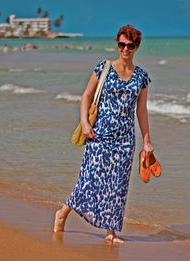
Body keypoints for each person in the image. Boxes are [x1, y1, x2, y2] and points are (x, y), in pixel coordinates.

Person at [53, 24, 154, 244]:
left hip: (126, 140)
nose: (125, 49)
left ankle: (111, 233)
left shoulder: (141, 77)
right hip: (99, 136)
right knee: (88, 180)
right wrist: (84, 122)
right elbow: (86, 96)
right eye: (122, 44)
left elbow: (141, 110)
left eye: (130, 45)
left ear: (137, 47)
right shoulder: (104, 68)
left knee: (118, 187)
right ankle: (63, 213)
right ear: (117, 44)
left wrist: (147, 141)